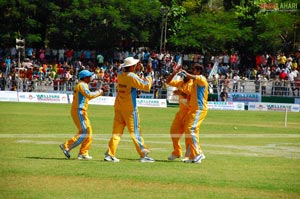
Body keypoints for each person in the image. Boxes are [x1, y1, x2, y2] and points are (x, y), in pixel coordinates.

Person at [104, 57, 154, 163]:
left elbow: (132, 79)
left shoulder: (120, 75)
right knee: (135, 132)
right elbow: (146, 86)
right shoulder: (132, 76)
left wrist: (139, 71)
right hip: (130, 109)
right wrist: (149, 74)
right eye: (134, 65)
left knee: (116, 132)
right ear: (131, 67)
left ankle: (110, 154)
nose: (136, 66)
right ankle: (143, 154)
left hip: (119, 107)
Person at [59, 70, 107, 160]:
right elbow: (89, 95)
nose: (91, 78)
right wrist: (100, 91)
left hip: (80, 111)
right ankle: (67, 147)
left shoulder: (83, 85)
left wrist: (99, 91)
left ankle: (83, 153)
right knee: (85, 132)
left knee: (88, 132)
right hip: (79, 111)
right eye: (89, 76)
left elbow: (86, 98)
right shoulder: (82, 85)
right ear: (84, 78)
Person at [180, 64, 208, 164]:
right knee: (191, 131)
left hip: (199, 109)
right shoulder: (195, 82)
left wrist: (185, 72)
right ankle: (193, 155)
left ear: (199, 70)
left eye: (194, 70)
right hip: (194, 109)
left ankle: (198, 153)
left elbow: (194, 76)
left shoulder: (201, 78)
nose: (192, 72)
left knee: (190, 129)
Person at [166, 67, 193, 161]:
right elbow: (168, 81)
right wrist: (174, 72)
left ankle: (189, 155)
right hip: (181, 113)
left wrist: (180, 92)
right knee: (173, 132)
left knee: (188, 136)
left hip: (190, 113)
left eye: (186, 74)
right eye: (183, 74)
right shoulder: (180, 82)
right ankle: (177, 152)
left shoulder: (192, 84)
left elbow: (191, 96)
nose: (184, 75)